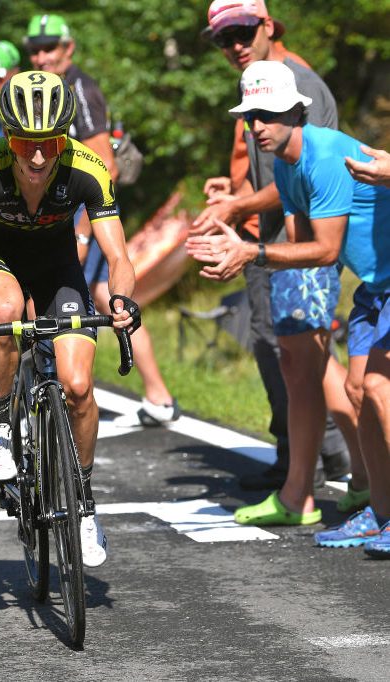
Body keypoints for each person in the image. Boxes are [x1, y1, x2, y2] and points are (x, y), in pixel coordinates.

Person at [185, 61, 390, 556]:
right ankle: (379, 512)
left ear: (297, 112)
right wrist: (235, 251)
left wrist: (251, 252)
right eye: (251, 116)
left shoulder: (324, 156)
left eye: (270, 114)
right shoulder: (284, 164)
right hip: (374, 287)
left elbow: (325, 250)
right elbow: (298, 246)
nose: (258, 125)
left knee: (378, 391)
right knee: (357, 390)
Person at [0, 71, 141, 566]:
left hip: (57, 266)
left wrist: (121, 300)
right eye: (24, 144)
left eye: (49, 144)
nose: (36, 158)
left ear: (64, 138)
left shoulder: (88, 167)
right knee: (5, 309)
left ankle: (85, 504)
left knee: (78, 386)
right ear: (7, 136)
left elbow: (119, 255)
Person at [192, 0, 353, 494]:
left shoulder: (296, 83)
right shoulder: (257, 82)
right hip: (273, 238)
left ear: (267, 25)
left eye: (242, 32)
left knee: (311, 360)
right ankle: (311, 467)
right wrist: (234, 196)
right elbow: (277, 174)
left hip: (298, 244)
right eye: (223, 39)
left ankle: (322, 466)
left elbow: (312, 175)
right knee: (285, 352)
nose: (234, 45)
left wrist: (241, 215)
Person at [25, 12, 180, 424]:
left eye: (49, 48)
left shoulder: (79, 89)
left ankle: (62, 390)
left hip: (83, 214)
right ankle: (159, 397)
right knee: (100, 297)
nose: (41, 57)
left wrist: (81, 232)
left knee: (79, 295)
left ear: (68, 48)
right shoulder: (49, 88)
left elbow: (105, 167)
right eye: (35, 50)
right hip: (65, 213)